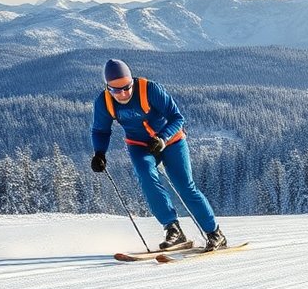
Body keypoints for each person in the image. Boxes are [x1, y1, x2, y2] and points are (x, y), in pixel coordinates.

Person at [89, 59, 227, 251]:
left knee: (185, 186)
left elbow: (177, 117)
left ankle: (214, 233)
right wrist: (99, 153)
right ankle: (172, 229)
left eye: (127, 87)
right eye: (116, 90)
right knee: (146, 177)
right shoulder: (104, 102)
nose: (123, 94)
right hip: (139, 146)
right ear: (108, 88)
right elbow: (100, 130)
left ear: (132, 81)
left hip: (171, 142)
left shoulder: (150, 89)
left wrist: (162, 138)